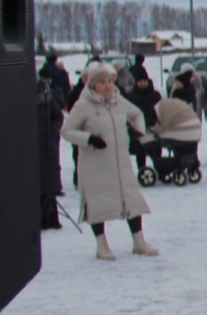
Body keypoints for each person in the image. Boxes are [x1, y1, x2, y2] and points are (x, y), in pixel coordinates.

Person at [61, 64, 158, 261]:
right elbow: (66, 131)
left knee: (132, 201)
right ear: (93, 85)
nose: (107, 86)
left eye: (109, 82)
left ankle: (139, 242)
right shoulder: (83, 105)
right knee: (98, 204)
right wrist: (89, 139)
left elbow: (137, 114)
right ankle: (101, 245)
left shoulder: (118, 101)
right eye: (102, 83)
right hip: (95, 164)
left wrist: (137, 131)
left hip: (121, 163)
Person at [37, 68, 64, 230]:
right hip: (27, 148)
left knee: (49, 182)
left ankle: (50, 217)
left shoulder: (45, 94)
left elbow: (58, 116)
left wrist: (52, 131)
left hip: (47, 146)